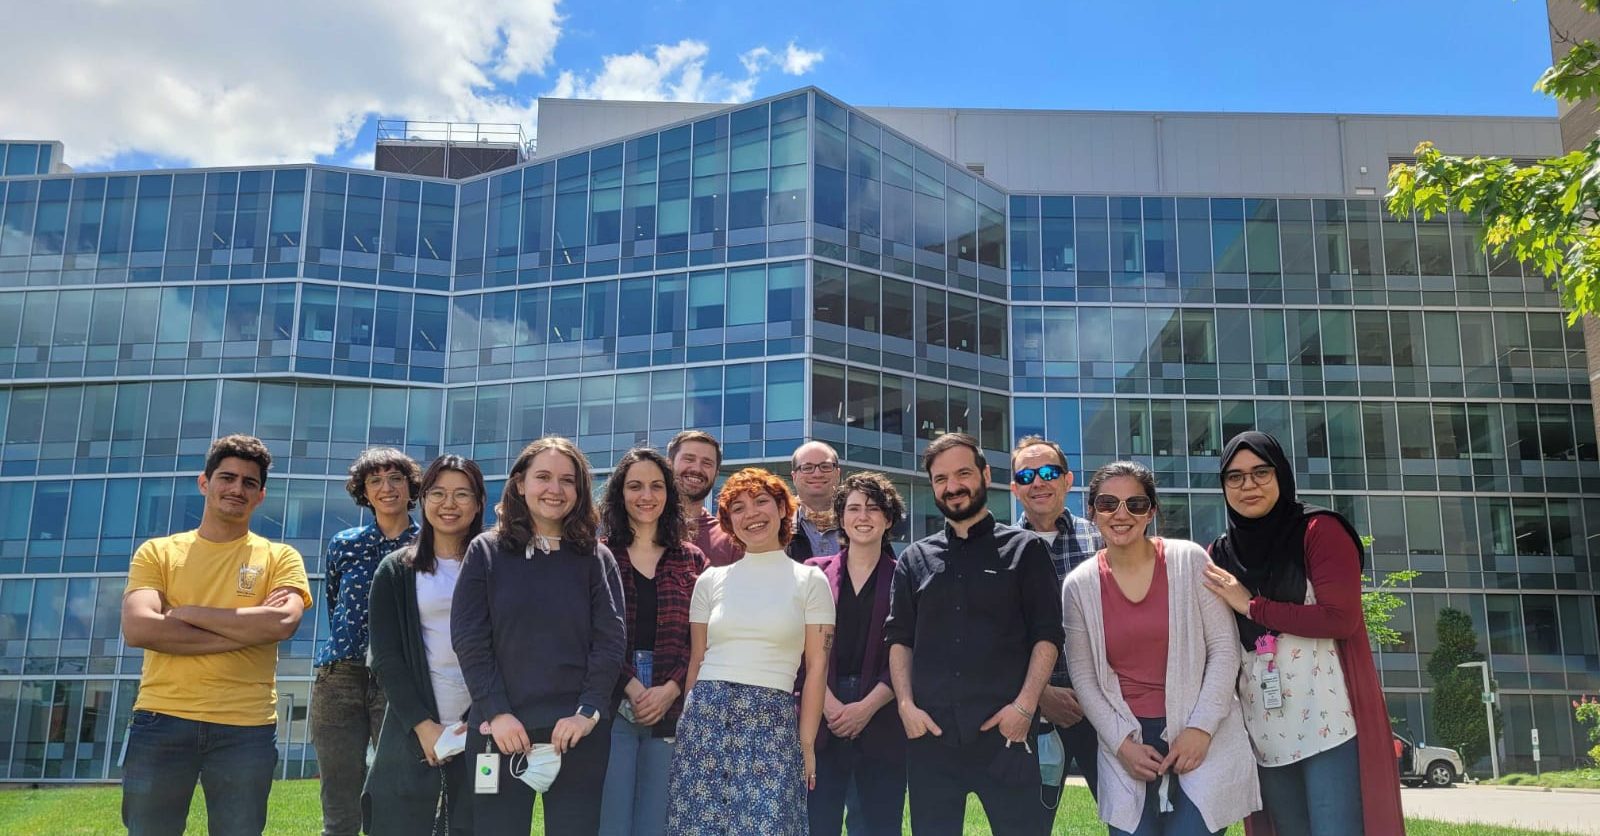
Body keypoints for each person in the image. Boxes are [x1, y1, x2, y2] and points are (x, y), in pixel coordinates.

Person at [1201, 431, 1405, 836]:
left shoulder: (1319, 531)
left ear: (1281, 475)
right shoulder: (1219, 554)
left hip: (1331, 723)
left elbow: (1339, 618)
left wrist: (1252, 605)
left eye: (1261, 472)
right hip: (1265, 729)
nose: (1248, 485)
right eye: (1235, 477)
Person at [120, 434, 313, 836]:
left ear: (260, 496)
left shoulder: (280, 557)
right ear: (204, 483)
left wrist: (188, 614)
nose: (237, 489)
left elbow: (282, 624)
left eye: (249, 482)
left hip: (246, 727)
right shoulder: (157, 552)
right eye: (227, 477)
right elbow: (139, 628)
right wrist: (247, 631)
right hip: (162, 718)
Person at [1062, 461, 1258, 836]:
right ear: (1092, 511)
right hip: (1128, 743)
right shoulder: (1079, 586)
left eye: (1135, 504)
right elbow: (1084, 678)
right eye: (1107, 504)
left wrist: (1200, 729)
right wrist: (1122, 746)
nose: (1121, 514)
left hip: (1200, 734)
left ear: (1151, 511)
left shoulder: (1190, 560)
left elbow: (1224, 649)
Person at [884, 432, 1063, 836]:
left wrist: (1024, 709)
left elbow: (1047, 636)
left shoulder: (1026, 550)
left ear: (985, 474)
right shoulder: (914, 559)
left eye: (963, 473)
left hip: (1006, 736)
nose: (953, 487)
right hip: (931, 738)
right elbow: (899, 639)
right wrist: (906, 707)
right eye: (941, 478)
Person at [451, 437, 626, 834]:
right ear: (519, 484)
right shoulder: (486, 551)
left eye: (568, 480)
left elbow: (611, 642)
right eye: (543, 477)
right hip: (500, 731)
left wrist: (588, 712)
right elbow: (469, 638)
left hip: (577, 733)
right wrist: (496, 712)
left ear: (580, 491)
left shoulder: (597, 559)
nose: (555, 489)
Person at [666, 468, 834, 835]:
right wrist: (686, 725)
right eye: (738, 508)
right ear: (728, 522)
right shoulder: (710, 580)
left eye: (761, 502)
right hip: (706, 717)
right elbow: (697, 660)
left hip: (771, 720)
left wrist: (806, 743)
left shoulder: (810, 580)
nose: (751, 514)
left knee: (768, 824)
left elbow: (817, 668)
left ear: (781, 510)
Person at [363, 454, 488, 835]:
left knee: (474, 822)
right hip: (414, 724)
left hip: (480, 725)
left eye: (462, 494)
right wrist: (424, 726)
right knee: (403, 820)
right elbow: (386, 656)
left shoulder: (497, 566)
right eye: (438, 493)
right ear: (423, 499)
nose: (449, 504)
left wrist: (476, 719)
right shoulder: (396, 569)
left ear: (479, 502)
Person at [597, 448, 707, 836]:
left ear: (669, 494)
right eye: (635, 486)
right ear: (619, 494)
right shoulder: (598, 555)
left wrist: (671, 688)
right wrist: (629, 683)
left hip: (671, 705)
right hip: (611, 703)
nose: (647, 495)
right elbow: (589, 634)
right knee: (612, 822)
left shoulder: (692, 560)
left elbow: (702, 638)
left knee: (656, 823)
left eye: (657, 486)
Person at [313, 446, 421, 836]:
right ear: (364, 491)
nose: (386, 487)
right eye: (375, 480)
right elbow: (335, 604)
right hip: (340, 675)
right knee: (339, 798)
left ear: (412, 488)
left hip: (399, 677)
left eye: (396, 479)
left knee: (395, 790)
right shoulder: (344, 543)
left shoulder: (428, 544)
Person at [805, 471, 907, 836]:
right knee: (818, 822)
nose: (863, 516)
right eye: (854, 508)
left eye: (874, 508)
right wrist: (827, 704)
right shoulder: (812, 574)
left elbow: (909, 651)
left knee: (877, 825)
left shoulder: (906, 578)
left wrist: (865, 708)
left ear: (888, 519)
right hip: (822, 714)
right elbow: (800, 648)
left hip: (881, 712)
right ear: (841, 518)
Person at [1010, 435, 1103, 817]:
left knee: (1129, 819)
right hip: (1030, 710)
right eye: (1027, 475)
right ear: (1015, 488)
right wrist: (1042, 693)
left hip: (1101, 708)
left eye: (1049, 472)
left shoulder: (1101, 539)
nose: (1038, 481)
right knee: (1027, 823)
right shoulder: (1002, 548)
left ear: (1068, 480)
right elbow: (996, 635)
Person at [668, 430, 742, 567]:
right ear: (669, 464)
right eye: (689, 459)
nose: (697, 469)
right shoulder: (644, 526)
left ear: (716, 473)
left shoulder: (729, 540)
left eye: (707, 463)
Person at [787, 440, 844, 562]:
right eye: (807, 468)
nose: (817, 474)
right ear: (794, 476)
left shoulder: (860, 521)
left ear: (838, 473)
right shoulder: (778, 525)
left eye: (825, 467)